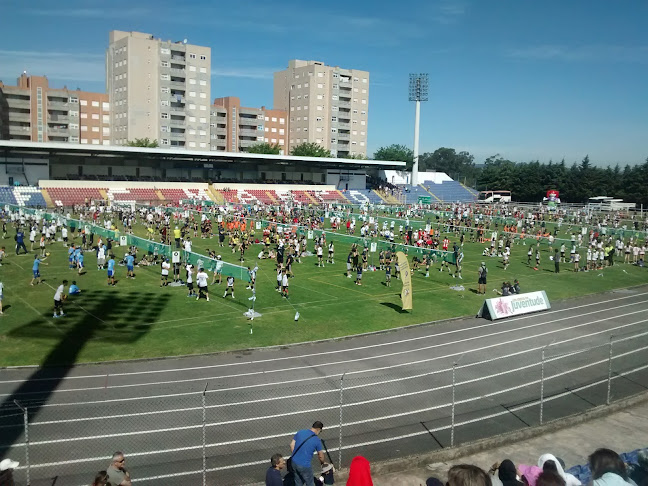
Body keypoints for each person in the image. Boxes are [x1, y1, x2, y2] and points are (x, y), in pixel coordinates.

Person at [289, 421, 327, 486]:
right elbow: (320, 455)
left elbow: (291, 444)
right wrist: (323, 463)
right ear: (318, 429)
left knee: (298, 481)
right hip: (304, 465)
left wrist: (297, 455)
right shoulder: (316, 440)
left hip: (294, 462)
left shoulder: (301, 432)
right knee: (310, 483)